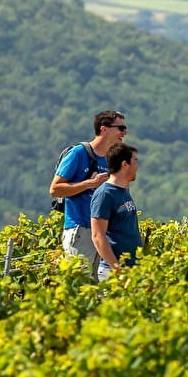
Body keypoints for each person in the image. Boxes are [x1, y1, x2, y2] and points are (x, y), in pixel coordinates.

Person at [49, 109, 126, 268]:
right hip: (80, 229)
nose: (124, 132)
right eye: (120, 128)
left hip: (101, 233)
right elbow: (55, 189)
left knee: (95, 287)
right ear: (103, 129)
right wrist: (89, 184)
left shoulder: (109, 159)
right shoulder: (79, 153)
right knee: (80, 284)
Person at [89, 143, 141, 280]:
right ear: (125, 165)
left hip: (132, 271)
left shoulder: (124, 191)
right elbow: (97, 236)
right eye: (135, 161)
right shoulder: (105, 194)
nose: (137, 166)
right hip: (114, 273)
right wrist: (117, 269)